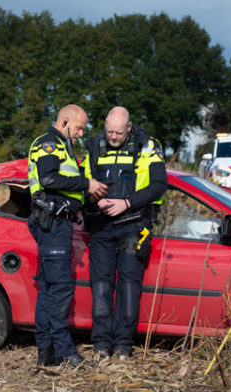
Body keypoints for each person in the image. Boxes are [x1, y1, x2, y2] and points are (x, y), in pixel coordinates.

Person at [80, 106, 167, 360]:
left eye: (118, 132)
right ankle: (101, 345)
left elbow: (159, 185)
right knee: (101, 287)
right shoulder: (94, 146)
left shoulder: (148, 145)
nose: (113, 137)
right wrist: (94, 200)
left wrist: (126, 203)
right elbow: (84, 186)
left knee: (129, 287)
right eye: (109, 131)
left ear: (129, 127)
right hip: (102, 227)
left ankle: (122, 346)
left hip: (133, 226)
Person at [27, 104, 108, 367]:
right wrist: (87, 184)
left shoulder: (64, 147)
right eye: (79, 127)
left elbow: (65, 185)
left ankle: (46, 352)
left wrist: (87, 196)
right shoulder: (50, 143)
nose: (81, 133)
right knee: (60, 289)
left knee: (49, 290)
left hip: (58, 224)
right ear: (64, 121)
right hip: (52, 225)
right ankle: (64, 352)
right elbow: (49, 179)